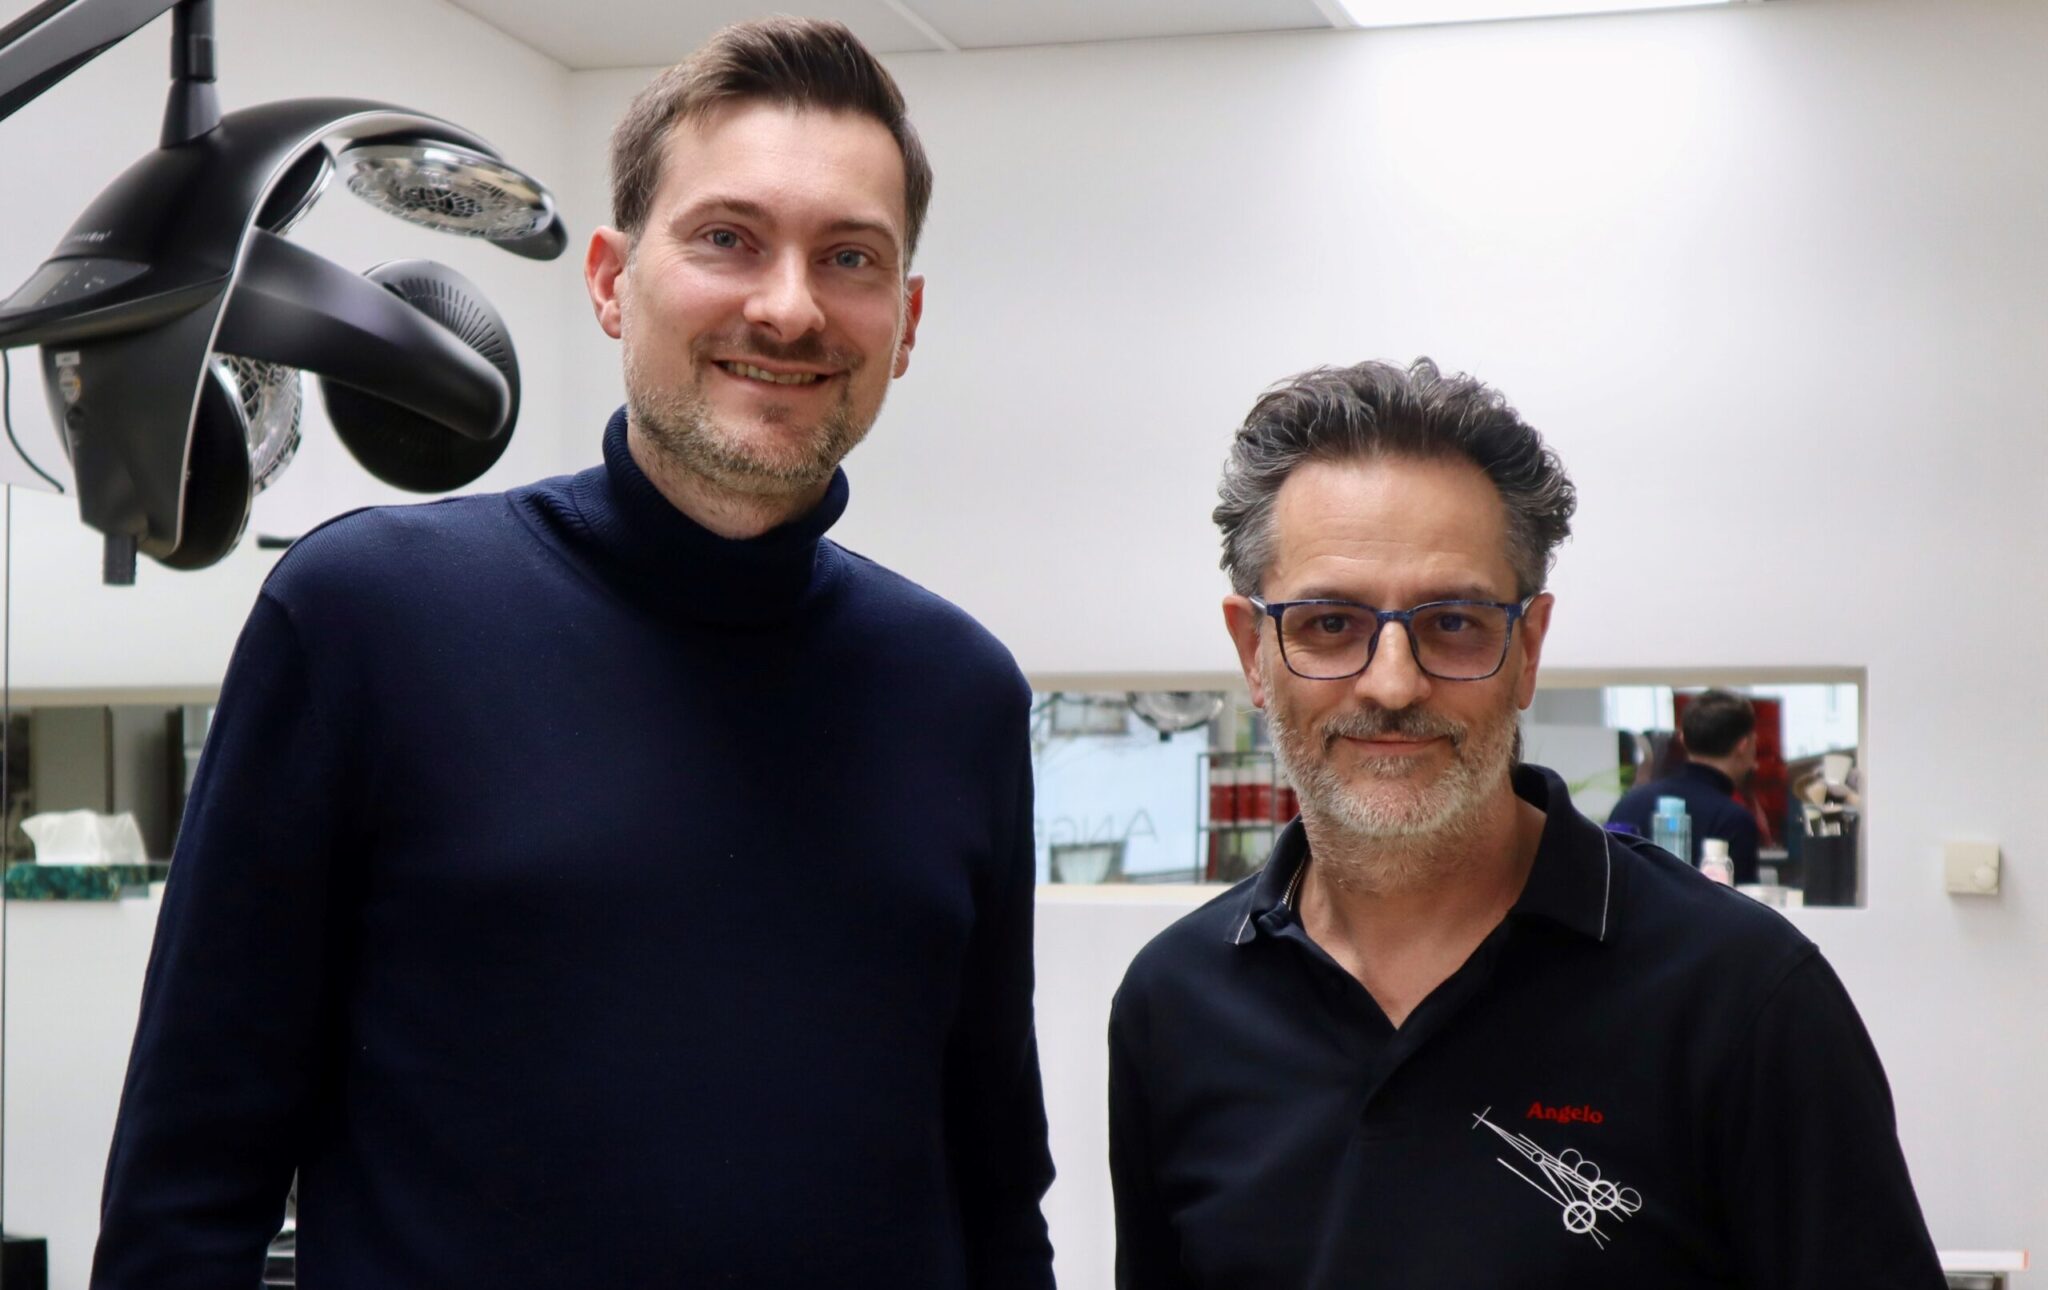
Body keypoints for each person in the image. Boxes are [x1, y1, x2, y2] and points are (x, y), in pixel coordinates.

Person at [91, 19, 1055, 1289]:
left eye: (849, 257)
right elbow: (186, 1192)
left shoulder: (957, 693)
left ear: (905, 318)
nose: (788, 305)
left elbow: (995, 1196)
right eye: (726, 238)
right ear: (610, 280)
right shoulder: (366, 622)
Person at [1107, 359, 1942, 1288]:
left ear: (1528, 649)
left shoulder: (1742, 999)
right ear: (1252, 653)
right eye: (1330, 624)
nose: (1394, 684)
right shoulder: (1175, 1006)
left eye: (1454, 622)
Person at [1607, 687, 1765, 883]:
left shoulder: (1629, 804)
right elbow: (1742, 900)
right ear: (1744, 745)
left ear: (1683, 739)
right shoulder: (1734, 821)